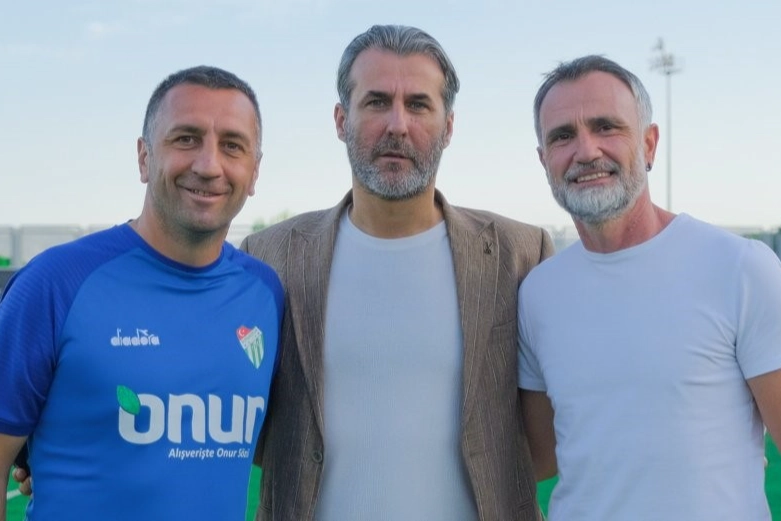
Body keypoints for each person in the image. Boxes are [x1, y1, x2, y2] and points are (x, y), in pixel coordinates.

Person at [241, 24, 553, 521]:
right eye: (377, 102)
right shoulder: (269, 257)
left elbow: (548, 439)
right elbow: (249, 430)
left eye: (419, 105)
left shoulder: (521, 255)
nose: (397, 125)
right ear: (341, 119)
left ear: (448, 127)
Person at [0, 66, 284, 521]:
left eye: (232, 145)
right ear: (144, 157)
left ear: (254, 171)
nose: (209, 165)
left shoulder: (266, 295)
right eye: (186, 139)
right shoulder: (55, 284)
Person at [518, 55, 781, 520]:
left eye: (606, 127)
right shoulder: (538, 294)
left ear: (649, 143)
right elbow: (542, 457)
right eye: (562, 136)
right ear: (544, 160)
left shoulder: (740, 267)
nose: (586, 151)